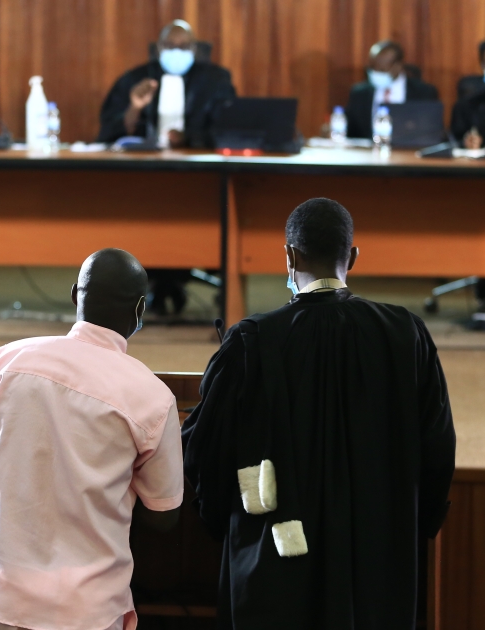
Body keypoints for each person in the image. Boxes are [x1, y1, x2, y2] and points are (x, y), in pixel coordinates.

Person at [181, 198, 456, 629]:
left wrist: (218, 520)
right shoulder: (406, 334)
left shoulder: (251, 341)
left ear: (289, 256)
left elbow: (204, 447)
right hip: (378, 557)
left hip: (275, 560)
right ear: (353, 257)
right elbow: (438, 446)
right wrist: (412, 525)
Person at [0, 248, 184, 630]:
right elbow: (164, 515)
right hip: (89, 609)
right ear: (140, 309)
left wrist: (30, 475)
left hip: (2, 599)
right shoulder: (153, 397)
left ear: (76, 294)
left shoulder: (8, 360)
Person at [97, 20, 236, 149]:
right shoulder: (135, 78)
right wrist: (134, 108)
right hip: (145, 164)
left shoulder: (216, 81)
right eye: (169, 46)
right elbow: (109, 133)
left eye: (184, 46)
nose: (176, 51)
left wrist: (188, 138)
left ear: (194, 49)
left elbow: (227, 131)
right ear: (158, 48)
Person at [345, 40, 440, 139]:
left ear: (398, 66)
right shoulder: (359, 93)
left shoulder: (424, 92)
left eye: (382, 69)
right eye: (373, 67)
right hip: (368, 152)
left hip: (408, 152)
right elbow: (351, 132)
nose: (376, 72)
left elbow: (430, 133)